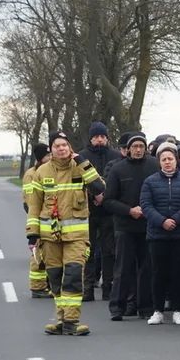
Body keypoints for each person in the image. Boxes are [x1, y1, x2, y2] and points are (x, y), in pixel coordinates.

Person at [25, 132, 105, 336]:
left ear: (70, 147)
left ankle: (71, 320)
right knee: (55, 278)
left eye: (64, 145)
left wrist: (82, 162)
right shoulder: (41, 172)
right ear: (51, 150)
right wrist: (32, 235)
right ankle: (61, 320)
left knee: (72, 277)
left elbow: (98, 188)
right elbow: (34, 206)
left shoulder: (81, 167)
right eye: (57, 146)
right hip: (50, 238)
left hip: (76, 238)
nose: (61, 149)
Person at [104, 132, 160, 321]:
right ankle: (117, 307)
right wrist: (129, 211)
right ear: (128, 149)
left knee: (147, 269)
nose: (138, 150)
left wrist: (149, 210)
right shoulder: (117, 169)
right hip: (125, 226)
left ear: (145, 148)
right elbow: (108, 200)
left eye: (141, 146)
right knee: (122, 268)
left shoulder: (154, 166)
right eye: (134, 146)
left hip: (149, 225)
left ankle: (145, 307)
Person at [139, 142, 180, 326]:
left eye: (170, 158)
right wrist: (162, 221)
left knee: (179, 273)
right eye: (164, 159)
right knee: (158, 273)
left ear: (176, 160)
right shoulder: (150, 181)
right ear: (159, 162)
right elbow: (146, 206)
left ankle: (178, 310)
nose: (167, 162)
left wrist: (176, 220)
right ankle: (158, 310)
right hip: (157, 234)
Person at [79, 122, 116, 302]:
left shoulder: (115, 156)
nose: (100, 140)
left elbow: (117, 181)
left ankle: (108, 287)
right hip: (88, 210)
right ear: (91, 139)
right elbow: (78, 182)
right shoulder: (82, 157)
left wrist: (105, 194)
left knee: (109, 251)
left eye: (103, 137)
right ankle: (88, 287)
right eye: (96, 137)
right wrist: (93, 193)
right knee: (89, 250)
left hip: (109, 211)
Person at [21, 143, 52, 299]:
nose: (49, 158)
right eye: (47, 156)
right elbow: (29, 201)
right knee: (37, 251)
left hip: (49, 217)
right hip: (38, 217)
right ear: (39, 158)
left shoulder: (49, 171)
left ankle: (46, 283)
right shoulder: (31, 174)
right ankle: (37, 287)